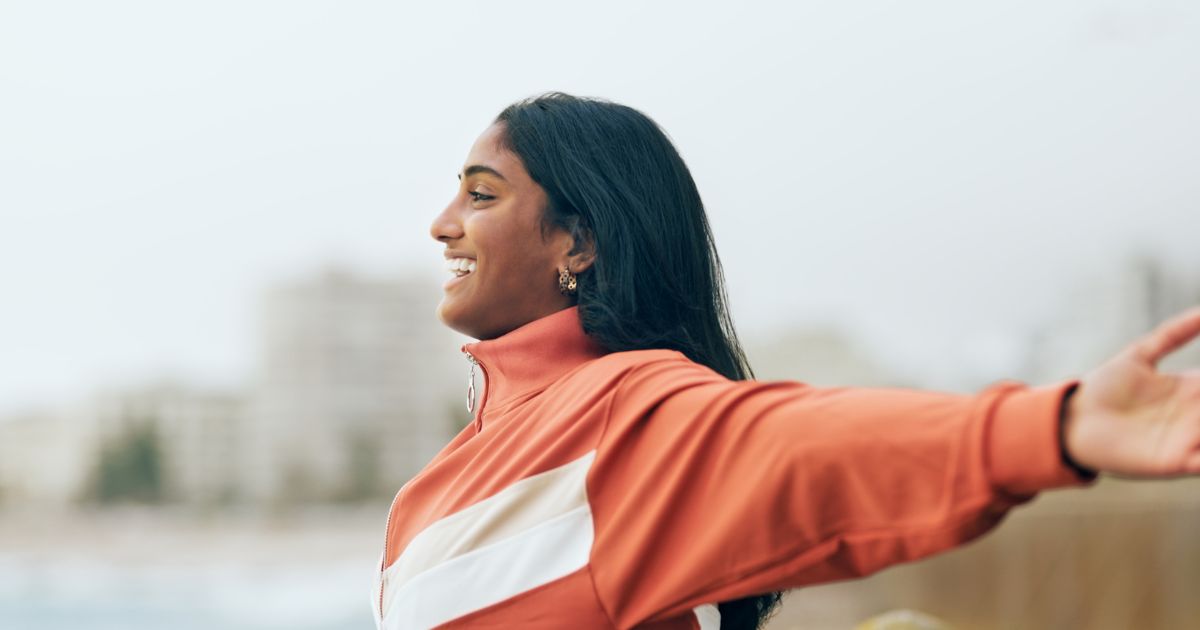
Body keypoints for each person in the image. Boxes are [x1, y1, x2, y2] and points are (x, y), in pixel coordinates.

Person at [371, 92, 1200, 630]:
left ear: (578, 241)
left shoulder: (625, 411)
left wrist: (1054, 427)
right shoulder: (434, 486)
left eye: (481, 194)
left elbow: (803, 448)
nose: (442, 223)